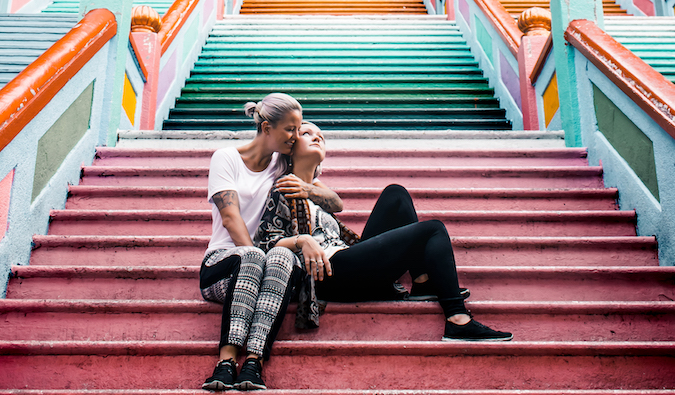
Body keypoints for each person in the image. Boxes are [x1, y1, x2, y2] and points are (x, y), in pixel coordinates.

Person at [254, 122, 513, 342]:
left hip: (347, 261)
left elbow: (336, 203)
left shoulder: (317, 194)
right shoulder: (283, 188)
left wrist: (311, 189)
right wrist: (302, 241)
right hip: (328, 274)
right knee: (433, 230)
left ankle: (422, 282)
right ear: (290, 147)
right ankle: (458, 318)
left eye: (321, 136)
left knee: (396, 195)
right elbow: (264, 245)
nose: (318, 137)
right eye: (308, 133)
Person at [200, 94, 344, 391]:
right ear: (267, 128)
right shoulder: (226, 158)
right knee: (254, 258)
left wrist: (306, 187)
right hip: (223, 265)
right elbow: (230, 218)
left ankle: (253, 363)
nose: (295, 137)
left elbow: (335, 203)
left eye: (297, 129)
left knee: (279, 259)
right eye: (290, 129)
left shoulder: (283, 165)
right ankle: (225, 362)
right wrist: (256, 254)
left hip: (268, 271)